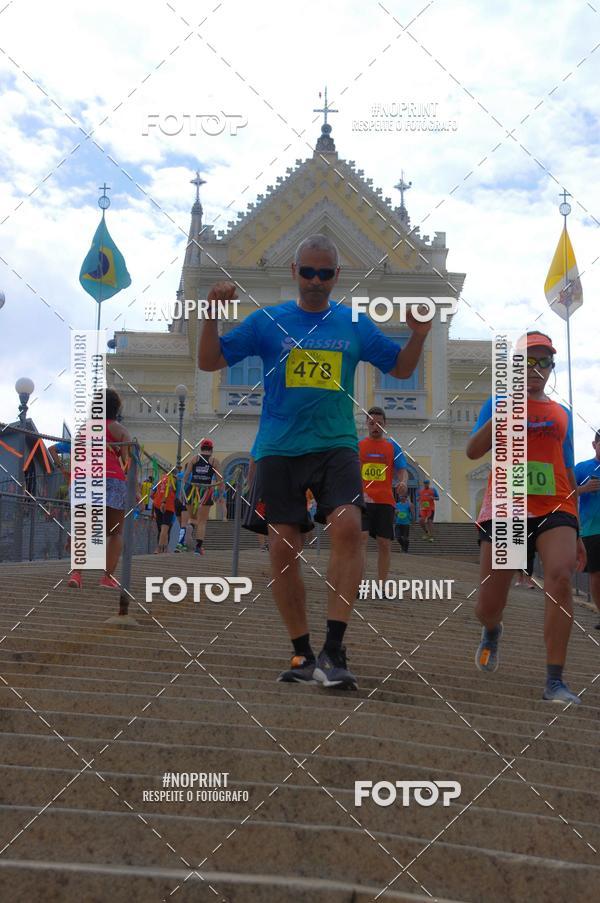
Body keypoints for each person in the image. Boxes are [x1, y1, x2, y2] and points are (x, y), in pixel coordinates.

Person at [198, 233, 431, 689]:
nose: (316, 281)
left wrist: (419, 334)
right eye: (308, 272)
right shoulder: (268, 321)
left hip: (336, 445)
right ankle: (303, 653)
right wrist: (210, 314)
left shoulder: (354, 323)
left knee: (348, 527)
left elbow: (400, 368)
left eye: (325, 273)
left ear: (336, 276)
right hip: (278, 449)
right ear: (294, 272)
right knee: (283, 550)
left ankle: (334, 649)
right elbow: (210, 360)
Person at [467, 331, 586, 705]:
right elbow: (472, 451)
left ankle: (555, 679)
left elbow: (566, 470)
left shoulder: (561, 414)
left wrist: (578, 529)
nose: (537, 369)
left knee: (562, 578)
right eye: (528, 361)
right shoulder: (498, 402)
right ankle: (492, 630)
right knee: (488, 605)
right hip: (508, 507)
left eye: (545, 361)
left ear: (552, 367)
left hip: (555, 507)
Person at [68, 388, 131, 590]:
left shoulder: (84, 429)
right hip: (111, 479)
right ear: (116, 408)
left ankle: (77, 574)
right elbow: (127, 462)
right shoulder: (119, 430)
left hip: (83, 479)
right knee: (115, 532)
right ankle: (107, 577)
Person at [359, 407, 408, 587]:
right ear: (367, 424)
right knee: (361, 539)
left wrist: (402, 482)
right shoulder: (359, 446)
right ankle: (359, 584)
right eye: (372, 423)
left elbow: (402, 470)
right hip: (363, 501)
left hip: (385, 501)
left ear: (385, 425)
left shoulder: (392, 446)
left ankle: (381, 585)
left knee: (384, 544)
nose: (375, 427)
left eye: (379, 423)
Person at [575, 428, 600, 629]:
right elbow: (564, 492)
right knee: (596, 573)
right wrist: (584, 489)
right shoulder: (582, 468)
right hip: (591, 530)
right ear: (594, 445)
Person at [182, 439, 221, 555]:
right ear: (212, 449)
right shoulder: (214, 461)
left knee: (193, 518)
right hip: (205, 491)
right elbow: (220, 480)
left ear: (201, 448)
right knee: (202, 522)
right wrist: (219, 493)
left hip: (191, 490)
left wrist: (183, 492)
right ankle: (198, 549)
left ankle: (189, 528)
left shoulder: (194, 459)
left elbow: (186, 476)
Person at [151, 472, 176, 553]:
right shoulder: (174, 479)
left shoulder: (159, 479)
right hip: (168, 505)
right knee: (165, 528)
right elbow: (172, 491)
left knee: (161, 528)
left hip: (157, 504)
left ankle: (164, 548)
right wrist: (164, 501)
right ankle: (160, 548)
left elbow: (152, 494)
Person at [394, 489, 414, 553]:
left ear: (406, 498)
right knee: (398, 537)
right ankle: (403, 546)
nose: (401, 497)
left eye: (403, 496)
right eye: (401, 496)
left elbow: (412, 512)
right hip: (398, 523)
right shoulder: (397, 504)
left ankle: (405, 549)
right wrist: (396, 512)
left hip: (406, 523)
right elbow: (395, 512)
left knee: (405, 538)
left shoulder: (409, 504)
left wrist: (412, 519)